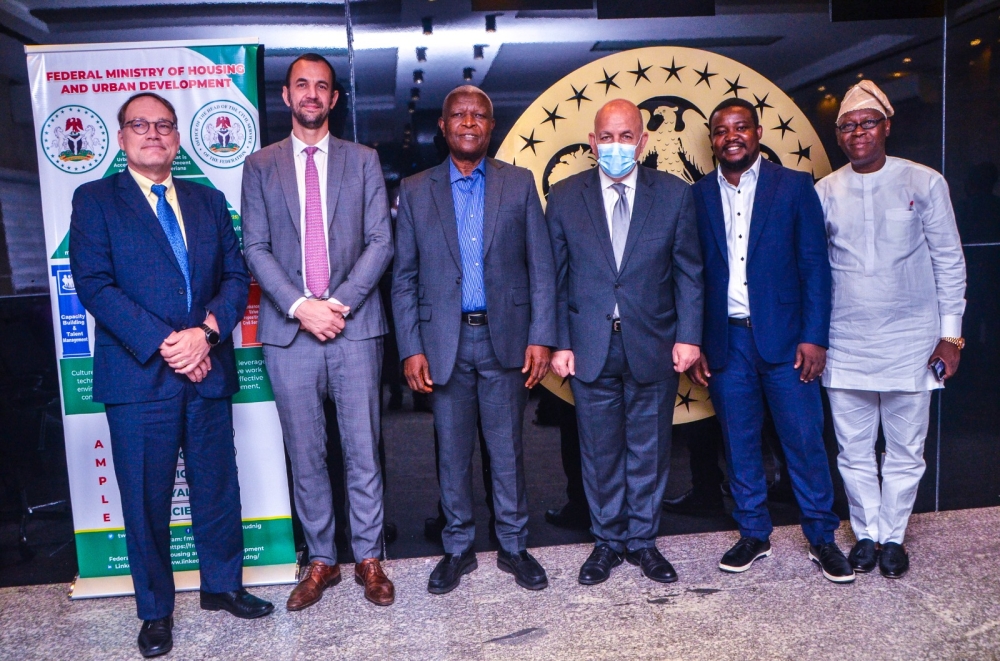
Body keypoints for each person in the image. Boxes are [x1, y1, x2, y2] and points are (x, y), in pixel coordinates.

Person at [70, 92, 271, 658]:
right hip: (139, 377)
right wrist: (171, 343)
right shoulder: (95, 200)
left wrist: (205, 334)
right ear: (122, 136)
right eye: (140, 124)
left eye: (163, 125)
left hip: (205, 366)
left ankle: (223, 585)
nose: (152, 133)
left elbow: (236, 277)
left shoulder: (207, 201)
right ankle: (155, 610)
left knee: (216, 488)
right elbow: (95, 286)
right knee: (144, 497)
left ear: (178, 138)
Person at [241, 53, 395, 609]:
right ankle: (323, 560)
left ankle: (370, 557)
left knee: (362, 449)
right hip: (290, 332)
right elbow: (254, 248)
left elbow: (381, 242)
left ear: (334, 99)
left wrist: (338, 304)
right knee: (305, 452)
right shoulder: (260, 167)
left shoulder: (364, 161)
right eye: (301, 85)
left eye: (322, 87)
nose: (311, 94)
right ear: (286, 96)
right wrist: (302, 306)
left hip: (353, 328)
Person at [393, 85, 556, 594]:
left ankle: (513, 545)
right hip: (444, 342)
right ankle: (458, 547)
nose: (468, 122)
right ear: (442, 127)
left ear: (491, 126)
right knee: (451, 451)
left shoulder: (520, 183)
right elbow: (404, 277)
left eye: (478, 115)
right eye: (458, 115)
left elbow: (542, 269)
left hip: (505, 336)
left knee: (507, 447)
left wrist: (542, 336)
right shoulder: (417, 189)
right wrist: (410, 346)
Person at [688, 98, 854, 583]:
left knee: (803, 440)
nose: (731, 136)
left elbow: (815, 268)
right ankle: (753, 534)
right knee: (739, 443)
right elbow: (692, 276)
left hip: (789, 343)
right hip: (727, 342)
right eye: (721, 130)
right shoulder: (696, 196)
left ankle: (822, 536)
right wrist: (696, 340)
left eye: (740, 127)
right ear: (712, 139)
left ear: (758, 133)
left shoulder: (794, 186)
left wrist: (815, 337)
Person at [547, 98, 704, 585]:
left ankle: (643, 542)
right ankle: (607, 542)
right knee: (599, 450)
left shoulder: (676, 195)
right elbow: (554, 278)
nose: (616, 146)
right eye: (607, 137)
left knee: (650, 448)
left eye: (626, 136)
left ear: (643, 141)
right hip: (589, 344)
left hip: (653, 342)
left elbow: (689, 274)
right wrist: (558, 342)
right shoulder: (565, 196)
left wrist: (690, 337)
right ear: (593, 143)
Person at [816, 81, 967, 578]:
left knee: (905, 448)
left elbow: (949, 260)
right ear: (838, 135)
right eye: (848, 126)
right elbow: (815, 269)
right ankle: (867, 534)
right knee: (854, 449)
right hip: (846, 342)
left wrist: (951, 334)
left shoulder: (924, 182)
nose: (858, 133)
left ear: (886, 126)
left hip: (913, 341)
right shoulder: (825, 190)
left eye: (867, 123)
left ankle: (895, 536)